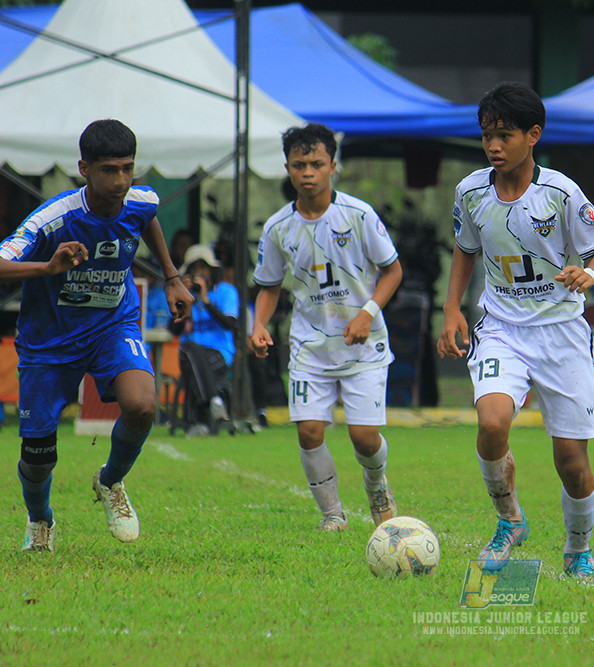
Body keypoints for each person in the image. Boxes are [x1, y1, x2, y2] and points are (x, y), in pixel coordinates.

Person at [436, 82, 594, 579]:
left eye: (505, 135)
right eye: (487, 135)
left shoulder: (560, 192)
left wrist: (590, 274)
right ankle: (510, 520)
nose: (494, 146)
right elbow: (465, 249)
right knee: (492, 423)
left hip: (561, 333)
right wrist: (452, 309)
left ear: (533, 135)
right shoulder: (471, 191)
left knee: (571, 463)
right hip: (502, 328)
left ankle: (578, 551)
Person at [0, 119, 195, 552]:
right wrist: (47, 267)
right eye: (109, 170)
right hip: (49, 341)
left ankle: (109, 482)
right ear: (84, 168)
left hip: (112, 325)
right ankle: (40, 520)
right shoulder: (53, 220)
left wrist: (172, 276)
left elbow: (149, 219)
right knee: (38, 458)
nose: (121, 180)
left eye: (128, 168)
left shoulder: (139, 200)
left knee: (143, 405)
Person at [251, 123, 403, 532]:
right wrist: (259, 324)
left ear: (333, 165)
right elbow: (267, 286)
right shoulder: (278, 228)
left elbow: (392, 271)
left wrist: (367, 312)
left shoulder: (358, 215)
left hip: (363, 345)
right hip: (309, 347)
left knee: (364, 438)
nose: (308, 172)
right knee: (310, 431)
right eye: (299, 164)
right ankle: (333, 515)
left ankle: (377, 487)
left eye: (316, 163)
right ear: (287, 167)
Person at [168, 244, 239, 435]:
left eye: (203, 267)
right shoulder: (184, 297)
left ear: (212, 270)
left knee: (191, 359)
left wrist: (206, 301)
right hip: (189, 353)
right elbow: (173, 330)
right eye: (194, 268)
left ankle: (196, 423)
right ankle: (215, 402)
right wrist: (184, 304)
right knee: (189, 351)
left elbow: (230, 324)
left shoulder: (226, 291)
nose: (199, 273)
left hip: (218, 354)